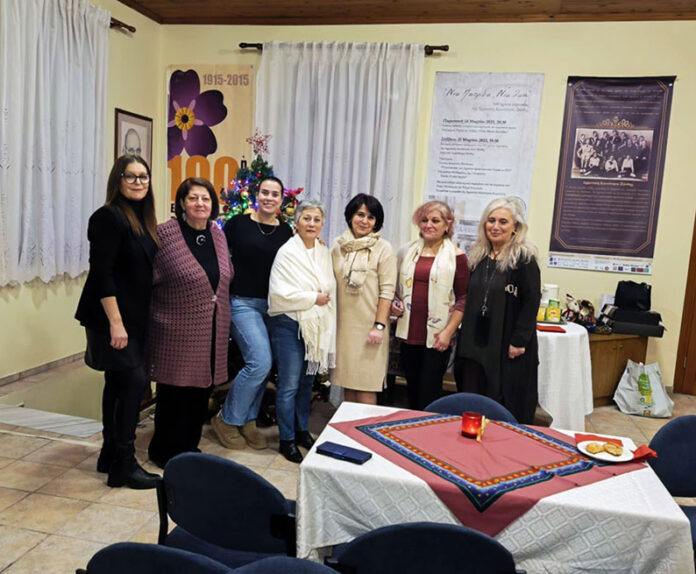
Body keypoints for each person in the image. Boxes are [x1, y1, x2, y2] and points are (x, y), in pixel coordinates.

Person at [75, 155, 159, 489]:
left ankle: (109, 454)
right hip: (111, 317)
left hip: (133, 316)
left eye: (143, 176)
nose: (138, 182)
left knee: (117, 383)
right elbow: (102, 274)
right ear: (118, 180)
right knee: (133, 382)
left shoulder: (142, 218)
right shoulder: (108, 217)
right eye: (131, 176)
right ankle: (124, 464)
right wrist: (115, 323)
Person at [146, 178, 233, 468]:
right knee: (175, 394)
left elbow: (225, 274)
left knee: (200, 392)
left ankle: (188, 448)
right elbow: (148, 277)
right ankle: (163, 451)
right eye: (193, 198)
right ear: (182, 203)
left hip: (212, 328)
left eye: (205, 199)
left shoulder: (217, 234)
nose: (199, 204)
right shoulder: (165, 234)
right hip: (175, 329)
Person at [211, 177, 293, 450]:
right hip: (242, 303)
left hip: (273, 306)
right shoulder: (238, 224)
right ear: (257, 195)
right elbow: (218, 257)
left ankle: (248, 421)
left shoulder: (286, 231)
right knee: (259, 361)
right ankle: (226, 419)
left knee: (266, 366)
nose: (269, 198)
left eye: (275, 194)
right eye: (265, 192)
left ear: (281, 199)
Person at [454, 197, 541, 424]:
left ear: (515, 227)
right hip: (475, 341)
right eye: (491, 220)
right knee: (472, 398)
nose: (495, 226)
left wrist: (519, 341)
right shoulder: (478, 255)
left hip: (505, 344)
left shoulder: (524, 259)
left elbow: (531, 302)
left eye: (503, 222)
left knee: (501, 400)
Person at [268, 200, 336, 463]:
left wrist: (320, 300)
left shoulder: (323, 251)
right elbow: (279, 293)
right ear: (296, 223)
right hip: (290, 325)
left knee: (307, 383)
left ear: (322, 224)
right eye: (306, 218)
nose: (311, 224)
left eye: (317, 219)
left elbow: (329, 286)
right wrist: (312, 298)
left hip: (315, 327)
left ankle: (301, 430)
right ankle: (286, 439)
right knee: (289, 384)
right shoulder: (287, 252)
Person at [391, 201, 469, 410]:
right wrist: (394, 303)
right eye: (424, 220)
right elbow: (396, 289)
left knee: (429, 392)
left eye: (435, 220)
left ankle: (428, 428)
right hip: (408, 332)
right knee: (411, 389)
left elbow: (463, 299)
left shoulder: (457, 256)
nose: (429, 225)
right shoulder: (406, 251)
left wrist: (447, 332)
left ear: (447, 224)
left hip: (438, 336)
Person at [331, 194, 397, 405]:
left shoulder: (384, 248)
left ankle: (365, 427)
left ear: (376, 222)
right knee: (348, 383)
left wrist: (379, 326)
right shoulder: (338, 246)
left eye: (371, 217)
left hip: (370, 328)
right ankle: (349, 426)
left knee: (367, 385)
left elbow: (387, 292)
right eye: (360, 214)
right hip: (343, 327)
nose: (364, 221)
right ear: (350, 216)